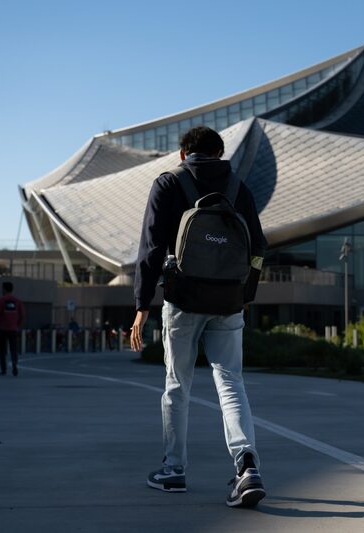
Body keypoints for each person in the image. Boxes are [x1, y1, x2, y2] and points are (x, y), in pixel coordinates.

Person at [130, 126, 267, 508]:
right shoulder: (239, 187)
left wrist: (142, 306)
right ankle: (246, 466)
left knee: (178, 385)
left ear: (182, 153)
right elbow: (258, 247)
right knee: (230, 382)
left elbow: (151, 249)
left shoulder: (168, 183)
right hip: (228, 302)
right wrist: (245, 296)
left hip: (183, 300)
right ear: (221, 152)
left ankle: (173, 470)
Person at [0, 281, 25, 376]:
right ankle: (15, 366)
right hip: (13, 329)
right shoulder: (18, 301)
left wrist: (0, 323)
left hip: (3, 329)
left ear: (4, 289)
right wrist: (16, 324)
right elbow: (22, 315)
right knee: (13, 349)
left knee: (2, 350)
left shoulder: (0, 301)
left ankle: (3, 369)